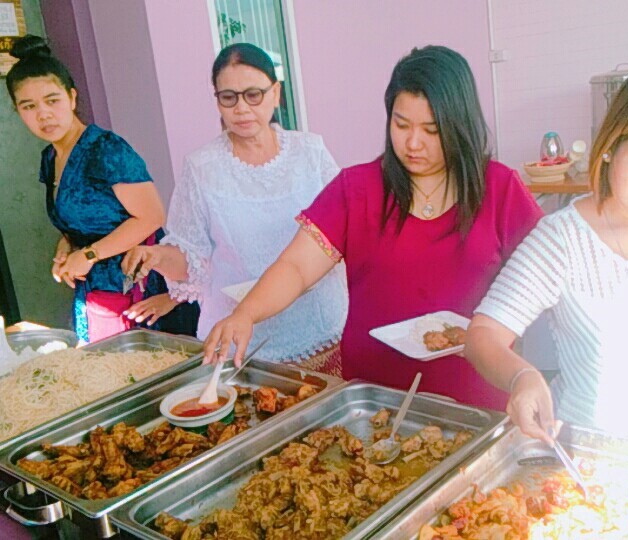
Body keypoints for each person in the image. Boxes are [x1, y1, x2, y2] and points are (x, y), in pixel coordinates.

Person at [203, 45, 543, 409]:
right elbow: (297, 267)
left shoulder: (500, 189)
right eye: (401, 124)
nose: (413, 143)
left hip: (478, 400)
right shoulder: (357, 189)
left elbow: (545, 276)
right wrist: (246, 313)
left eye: (431, 130)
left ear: (460, 125)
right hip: (374, 402)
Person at [467, 65, 628, 452]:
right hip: (596, 458)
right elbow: (483, 335)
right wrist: (522, 377)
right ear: (610, 148)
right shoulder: (562, 239)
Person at [121, 43, 347, 373]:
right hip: (244, 342)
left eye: (253, 95)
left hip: (319, 324)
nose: (241, 108)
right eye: (229, 97)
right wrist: (155, 256)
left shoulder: (310, 152)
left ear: (275, 93)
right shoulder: (202, 168)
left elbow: (344, 227)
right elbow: (191, 257)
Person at [5, 35, 199, 343]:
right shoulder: (50, 158)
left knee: (148, 364)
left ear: (72, 97)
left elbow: (151, 217)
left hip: (139, 284)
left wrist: (89, 254)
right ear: (18, 111)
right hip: (96, 287)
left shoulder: (106, 149)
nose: (43, 114)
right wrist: (67, 245)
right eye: (29, 106)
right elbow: (82, 218)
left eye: (52, 100)